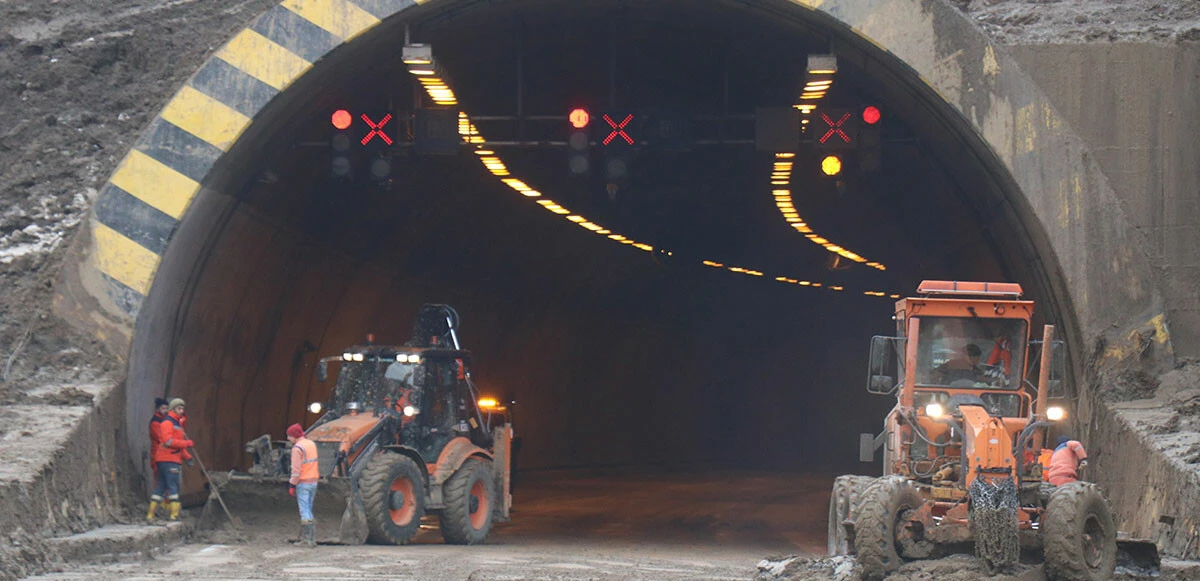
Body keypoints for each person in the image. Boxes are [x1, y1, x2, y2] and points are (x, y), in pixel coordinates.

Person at [153, 398, 193, 521]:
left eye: (182, 408)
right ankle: (173, 516)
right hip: (169, 460)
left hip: (168, 459)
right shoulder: (168, 423)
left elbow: (178, 447)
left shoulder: (177, 424)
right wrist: (186, 443)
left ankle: (151, 515)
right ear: (173, 409)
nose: (181, 411)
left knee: (161, 487)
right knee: (173, 487)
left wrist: (187, 457)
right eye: (179, 408)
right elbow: (169, 442)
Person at [288, 423, 319, 547]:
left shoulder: (297, 448)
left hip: (303, 482)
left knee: (304, 510)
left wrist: (292, 485)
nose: (288, 439)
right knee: (309, 509)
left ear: (294, 436)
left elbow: (296, 470)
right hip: (314, 481)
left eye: (289, 436)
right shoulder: (311, 444)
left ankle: (307, 540)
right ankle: (312, 539)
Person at [146, 397, 170, 522]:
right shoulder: (156, 423)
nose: (165, 411)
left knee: (166, 483)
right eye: (163, 408)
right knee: (160, 483)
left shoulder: (164, 421)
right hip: (158, 456)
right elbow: (163, 439)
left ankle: (164, 507)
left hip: (165, 456)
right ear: (157, 409)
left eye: (167, 408)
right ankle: (157, 510)